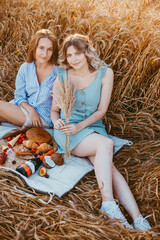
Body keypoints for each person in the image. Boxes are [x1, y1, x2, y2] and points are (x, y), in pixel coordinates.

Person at [50, 33, 152, 231]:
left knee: (111, 170)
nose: (74, 59)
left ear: (87, 52)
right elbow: (55, 111)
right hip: (69, 131)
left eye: (78, 53)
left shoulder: (106, 73)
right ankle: (108, 204)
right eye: (69, 55)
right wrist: (57, 123)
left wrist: (82, 126)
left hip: (93, 127)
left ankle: (138, 218)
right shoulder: (62, 75)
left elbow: (101, 110)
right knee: (106, 144)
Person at [0, 29, 58, 128]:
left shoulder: (58, 72)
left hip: (43, 118)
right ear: (34, 48)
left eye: (49, 49)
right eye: (41, 48)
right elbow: (19, 96)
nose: (45, 54)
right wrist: (31, 111)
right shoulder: (25, 68)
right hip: (26, 110)